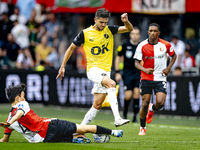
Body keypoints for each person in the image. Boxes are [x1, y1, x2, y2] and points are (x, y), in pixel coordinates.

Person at [57, 8, 133, 127]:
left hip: (105, 72)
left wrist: (126, 21)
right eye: (101, 22)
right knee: (112, 84)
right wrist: (62, 66)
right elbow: (71, 48)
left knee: (97, 105)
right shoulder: (85, 33)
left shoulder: (109, 30)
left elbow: (129, 29)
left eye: (105, 22)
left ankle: (79, 129)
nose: (103, 25)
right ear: (95, 20)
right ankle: (117, 118)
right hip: (93, 70)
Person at [0, 83, 123, 143]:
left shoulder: (9, 120)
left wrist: (9, 123)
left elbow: (4, 140)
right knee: (82, 128)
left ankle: (74, 139)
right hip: (49, 126)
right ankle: (113, 132)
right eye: (23, 96)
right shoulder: (22, 105)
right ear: (17, 99)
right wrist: (11, 121)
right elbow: (20, 113)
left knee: (73, 136)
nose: (24, 99)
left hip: (42, 139)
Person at [133, 23, 177, 135]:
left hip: (160, 78)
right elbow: (136, 63)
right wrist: (145, 69)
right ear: (148, 32)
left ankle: (152, 108)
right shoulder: (141, 46)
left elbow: (174, 56)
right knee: (144, 103)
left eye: (155, 31)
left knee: (160, 103)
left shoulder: (165, 45)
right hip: (146, 77)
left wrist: (168, 68)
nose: (152, 33)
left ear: (159, 33)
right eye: (150, 31)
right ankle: (142, 127)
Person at [115, 27, 141, 122]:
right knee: (128, 95)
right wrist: (117, 72)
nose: (135, 36)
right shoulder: (125, 44)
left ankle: (135, 117)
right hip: (127, 73)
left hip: (138, 72)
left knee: (136, 94)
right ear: (130, 35)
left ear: (139, 35)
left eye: (137, 34)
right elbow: (118, 57)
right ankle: (125, 114)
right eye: (133, 34)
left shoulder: (140, 46)